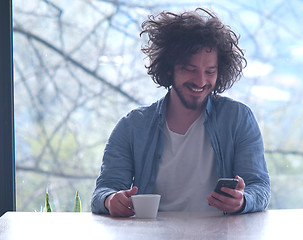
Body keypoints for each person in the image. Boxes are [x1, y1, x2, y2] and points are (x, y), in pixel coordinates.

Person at [91, 8, 270, 217]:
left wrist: (243, 200)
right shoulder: (132, 127)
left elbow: (259, 187)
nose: (201, 81)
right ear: (169, 68)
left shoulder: (238, 119)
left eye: (210, 71)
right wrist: (111, 200)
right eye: (190, 69)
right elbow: (103, 191)